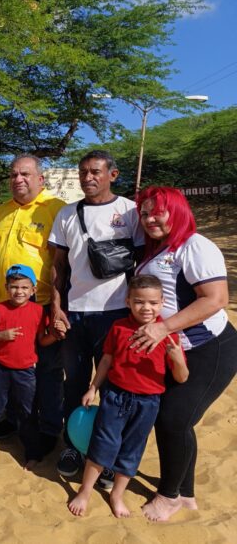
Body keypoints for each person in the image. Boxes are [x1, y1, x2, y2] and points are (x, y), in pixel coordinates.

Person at [130, 186, 237, 522]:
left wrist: (163, 328)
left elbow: (215, 299)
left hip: (210, 348)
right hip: (177, 352)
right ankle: (186, 493)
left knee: (174, 419)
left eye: (157, 211)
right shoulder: (155, 251)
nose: (149, 219)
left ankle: (169, 495)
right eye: (144, 213)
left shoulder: (195, 245)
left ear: (176, 210)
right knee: (174, 420)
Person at [49, 150, 145, 481]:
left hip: (117, 315)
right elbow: (58, 265)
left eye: (95, 172)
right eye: (83, 172)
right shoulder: (66, 214)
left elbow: (142, 265)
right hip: (75, 315)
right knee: (73, 383)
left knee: (113, 388)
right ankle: (73, 445)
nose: (88, 178)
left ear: (112, 175)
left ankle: (104, 455)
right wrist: (56, 306)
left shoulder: (130, 212)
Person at [67, 275, 188, 518]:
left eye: (153, 303)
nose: (146, 308)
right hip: (115, 397)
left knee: (132, 450)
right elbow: (107, 360)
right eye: (139, 302)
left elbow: (182, 377)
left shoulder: (169, 334)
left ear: (162, 302)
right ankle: (85, 491)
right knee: (102, 444)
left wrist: (176, 360)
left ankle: (117, 495)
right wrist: (93, 387)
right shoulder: (119, 327)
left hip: (148, 403)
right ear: (128, 301)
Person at [0, 154, 66, 455]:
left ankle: (49, 428)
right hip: (8, 306)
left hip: (44, 304)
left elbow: (64, 262)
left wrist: (59, 306)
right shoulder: (2, 211)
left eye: (25, 174)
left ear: (40, 179)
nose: (17, 179)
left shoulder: (56, 210)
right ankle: (16, 417)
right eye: (13, 175)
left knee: (47, 370)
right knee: (10, 364)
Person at [0, 265, 61, 465]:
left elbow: (41, 341)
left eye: (25, 288)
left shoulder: (37, 312)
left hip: (26, 372)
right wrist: (2, 335)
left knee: (27, 412)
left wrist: (54, 335)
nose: (19, 291)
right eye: (15, 287)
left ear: (33, 290)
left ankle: (32, 452)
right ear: (7, 287)